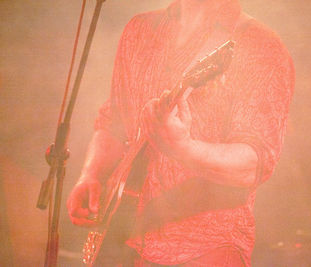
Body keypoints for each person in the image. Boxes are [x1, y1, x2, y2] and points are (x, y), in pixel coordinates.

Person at [67, 0, 295, 266]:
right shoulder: (139, 30)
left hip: (205, 248)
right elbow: (114, 121)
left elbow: (253, 164)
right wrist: (91, 174)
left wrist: (183, 149)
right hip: (122, 239)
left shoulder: (259, 45)